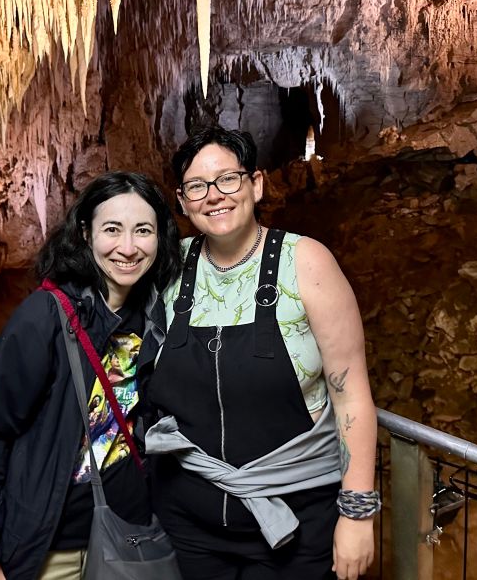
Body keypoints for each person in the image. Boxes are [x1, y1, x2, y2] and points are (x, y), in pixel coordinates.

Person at [0, 171, 181, 580]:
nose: (128, 248)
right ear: (84, 233)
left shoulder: (153, 315)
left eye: (143, 231)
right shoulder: (45, 318)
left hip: (125, 532)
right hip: (45, 545)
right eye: (112, 229)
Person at [145, 125, 378, 580]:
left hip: (295, 522)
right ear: (182, 200)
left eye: (227, 179)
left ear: (255, 184)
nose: (213, 196)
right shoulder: (169, 265)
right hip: (187, 524)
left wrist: (357, 512)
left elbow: (351, 397)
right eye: (197, 186)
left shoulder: (305, 262)